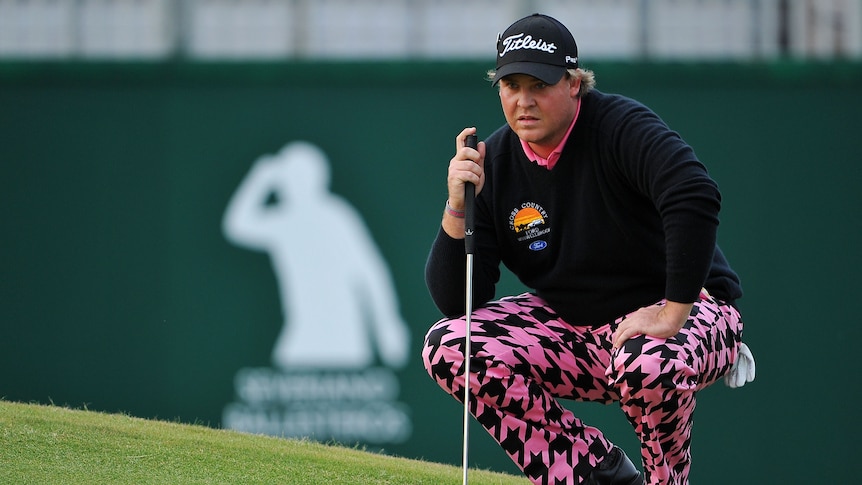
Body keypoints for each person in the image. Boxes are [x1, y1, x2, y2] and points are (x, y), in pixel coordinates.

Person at [421, 13, 754, 485]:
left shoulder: (620, 126)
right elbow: (460, 305)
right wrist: (458, 206)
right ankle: (595, 475)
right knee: (452, 346)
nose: (524, 100)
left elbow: (693, 193)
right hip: (581, 331)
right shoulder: (491, 162)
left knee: (648, 363)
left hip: (688, 316)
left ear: (575, 84)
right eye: (510, 84)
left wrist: (673, 312)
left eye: (539, 83)